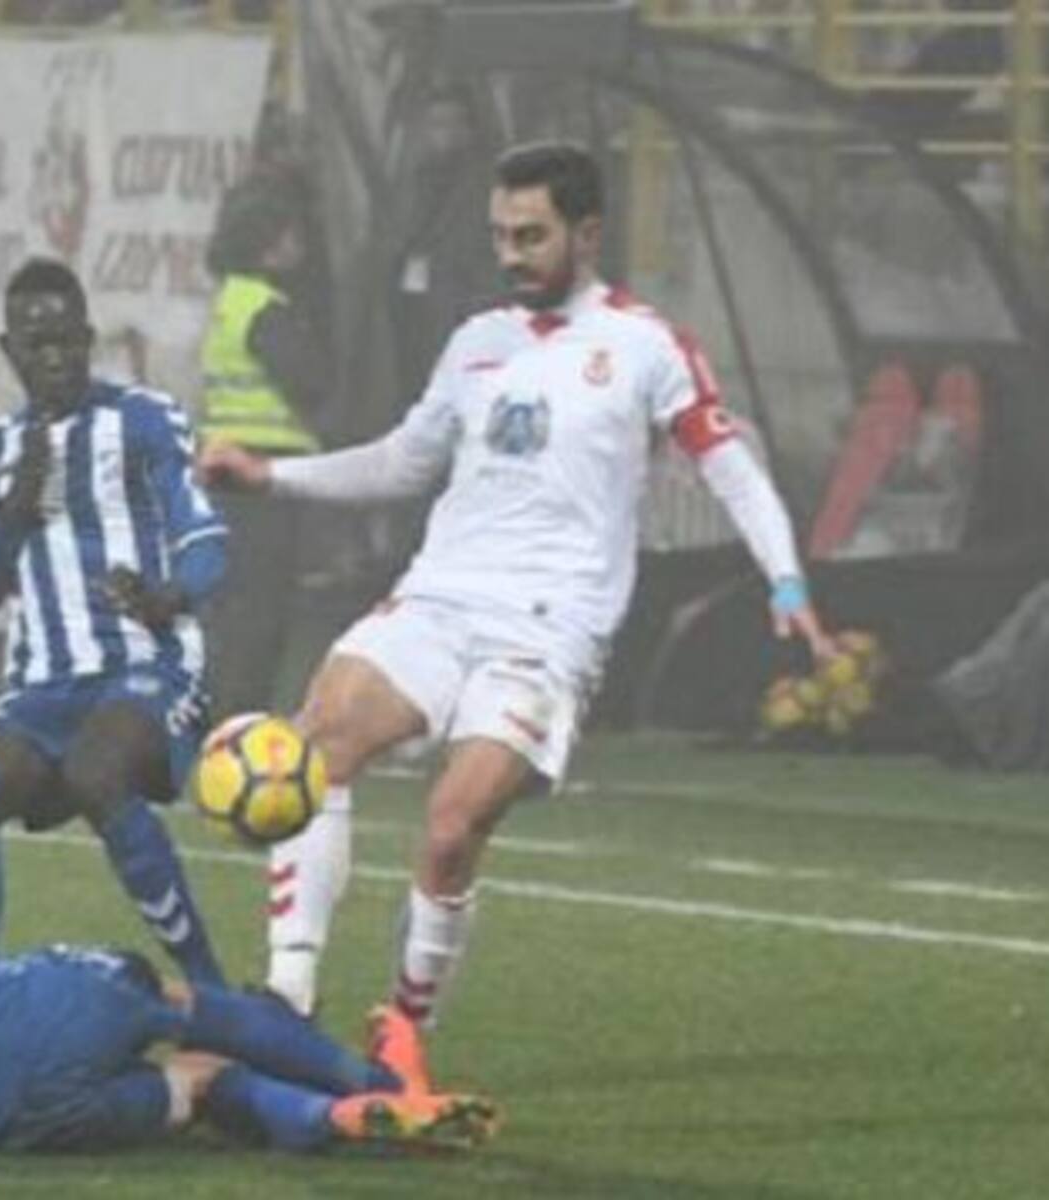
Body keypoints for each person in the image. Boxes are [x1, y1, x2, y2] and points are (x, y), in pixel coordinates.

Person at [199, 141, 834, 1027]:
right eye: (500, 234)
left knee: (453, 826)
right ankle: (287, 997)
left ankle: (405, 1034)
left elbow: (729, 467)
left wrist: (788, 584)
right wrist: (273, 476)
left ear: (587, 232)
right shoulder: (477, 342)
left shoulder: (647, 346)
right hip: (439, 598)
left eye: (530, 235)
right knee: (318, 744)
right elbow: (401, 461)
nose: (511, 254)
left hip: (548, 630)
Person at [0, 257, 226, 984]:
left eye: (68, 340)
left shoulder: (144, 419)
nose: (55, 357)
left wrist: (168, 597)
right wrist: (12, 513)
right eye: (38, 344)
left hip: (143, 662)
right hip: (38, 685)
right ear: (10, 351)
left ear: (88, 338)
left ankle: (210, 987)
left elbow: (207, 540)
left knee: (98, 772)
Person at [0, 928, 498, 1155]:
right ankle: (385, 1084)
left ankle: (329, 1116)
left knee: (197, 1081)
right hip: (45, 1003)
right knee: (182, 1005)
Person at [199, 172, 334, 716]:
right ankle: (243, 714)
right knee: (263, 606)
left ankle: (221, 709)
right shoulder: (266, 308)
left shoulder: (229, 301)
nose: (299, 245)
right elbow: (310, 379)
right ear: (268, 241)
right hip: (264, 468)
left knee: (234, 603)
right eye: (291, 234)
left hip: (227, 463)